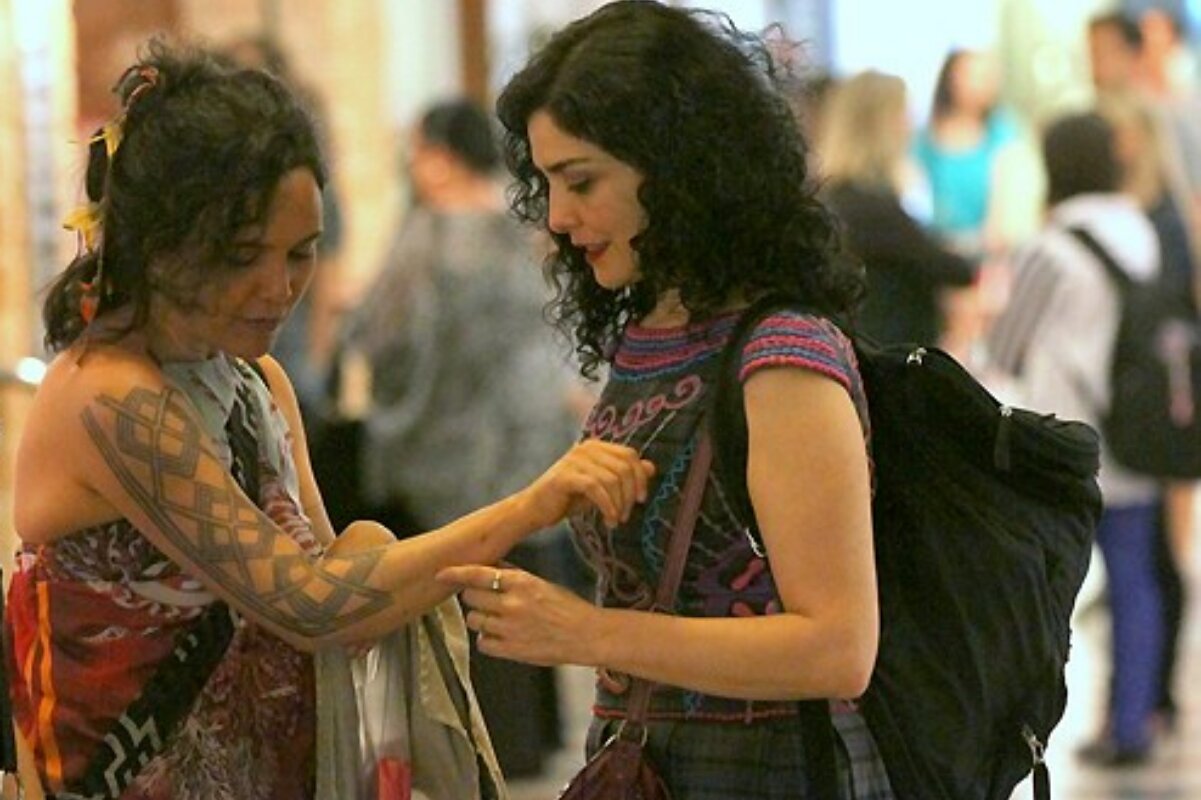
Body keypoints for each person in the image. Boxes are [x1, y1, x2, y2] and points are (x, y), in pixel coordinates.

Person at [7, 41, 653, 799]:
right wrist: (530, 507)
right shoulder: (111, 397)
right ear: (166, 247)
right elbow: (311, 604)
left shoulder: (257, 384)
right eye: (244, 255)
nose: (279, 287)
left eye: (301, 253)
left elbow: (332, 580)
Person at [440, 3, 889, 797]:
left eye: (582, 181)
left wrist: (587, 632)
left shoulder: (781, 356)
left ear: (678, 167)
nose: (559, 217)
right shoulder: (657, 326)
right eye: (547, 183)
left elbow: (836, 649)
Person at [335, 97, 585, 776]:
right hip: (529, 431)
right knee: (523, 568)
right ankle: (536, 738)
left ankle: (485, 747)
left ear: (441, 158)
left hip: (451, 436)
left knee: (463, 580)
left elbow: (384, 335)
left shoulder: (431, 235)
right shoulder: (528, 224)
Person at [982, 112, 1164, 766]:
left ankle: (1024, 731)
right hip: (1133, 435)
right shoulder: (1140, 232)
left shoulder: (1051, 246)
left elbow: (1004, 347)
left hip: (1062, 450)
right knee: (1133, 584)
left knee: (1040, 592)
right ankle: (1130, 723)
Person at [817, 69, 975, 347]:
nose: (910, 125)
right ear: (880, 125)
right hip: (889, 351)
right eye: (903, 114)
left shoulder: (836, 197)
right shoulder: (871, 207)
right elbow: (951, 268)